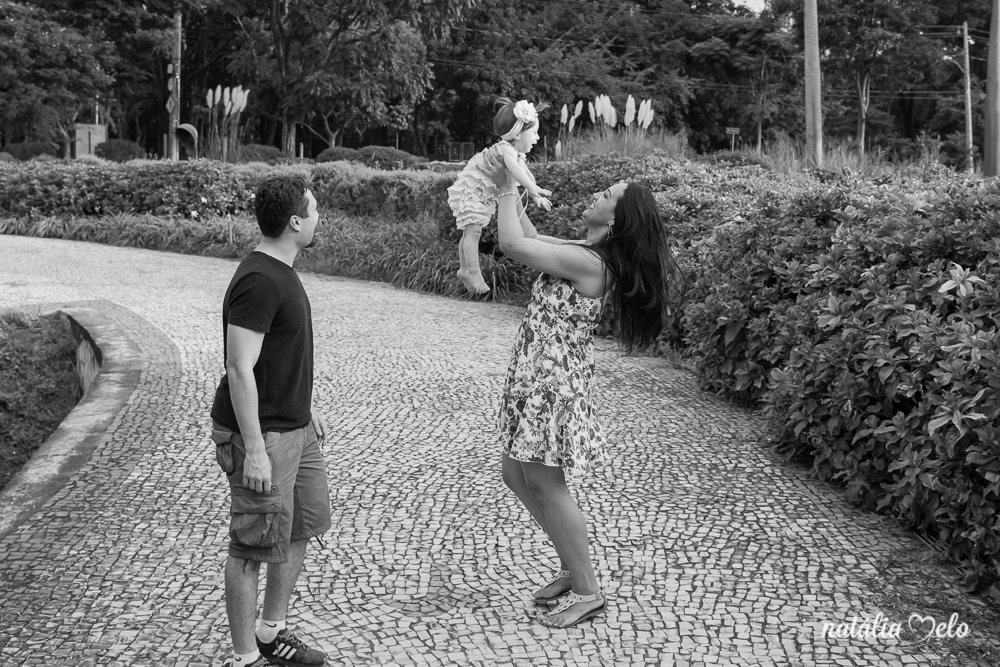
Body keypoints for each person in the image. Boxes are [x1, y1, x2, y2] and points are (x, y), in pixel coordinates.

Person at [481, 149, 684, 629]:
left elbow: (511, 244)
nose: (597, 194)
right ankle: (573, 570)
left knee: (549, 486)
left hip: (553, 385)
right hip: (535, 376)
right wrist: (517, 184)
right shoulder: (583, 250)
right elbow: (528, 236)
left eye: (607, 195)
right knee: (516, 474)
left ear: (616, 221)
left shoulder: (591, 264)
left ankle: (588, 591)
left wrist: (508, 180)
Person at [210, 175, 331, 667]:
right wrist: (255, 448)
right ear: (295, 221)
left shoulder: (281, 269)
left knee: (300, 525)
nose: (320, 216)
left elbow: (277, 355)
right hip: (261, 435)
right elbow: (238, 367)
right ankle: (244, 659)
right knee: (250, 544)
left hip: (295, 426)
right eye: (315, 209)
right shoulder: (260, 279)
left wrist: (305, 405)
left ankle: (270, 631)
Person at [447, 97, 553, 295]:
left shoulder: (514, 153)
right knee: (473, 232)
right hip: (472, 191)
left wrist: (534, 191)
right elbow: (515, 171)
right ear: (518, 133)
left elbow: (525, 173)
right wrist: (533, 188)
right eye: (534, 133)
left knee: (469, 231)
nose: (537, 138)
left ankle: (464, 269)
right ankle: (472, 270)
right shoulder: (505, 149)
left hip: (477, 193)